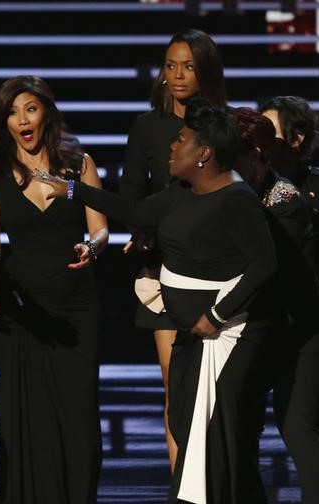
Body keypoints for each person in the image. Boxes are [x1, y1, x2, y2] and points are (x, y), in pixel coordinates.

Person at [36, 96, 276, 504]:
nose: (171, 146)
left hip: (225, 338)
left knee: (209, 442)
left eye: (180, 140)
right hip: (192, 333)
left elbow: (264, 265)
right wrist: (73, 190)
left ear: (203, 153)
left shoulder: (236, 200)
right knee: (184, 425)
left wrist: (216, 315)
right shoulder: (183, 190)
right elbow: (136, 209)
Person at [0, 75, 109, 504]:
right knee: (25, 417)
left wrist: (91, 247)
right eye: (12, 113)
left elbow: (101, 229)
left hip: (75, 306)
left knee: (78, 414)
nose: (22, 120)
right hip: (22, 309)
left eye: (29, 109)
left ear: (45, 111)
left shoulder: (78, 165)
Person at [118, 28, 226, 471]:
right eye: (170, 65)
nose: (178, 75)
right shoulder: (146, 128)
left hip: (219, 273)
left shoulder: (225, 125)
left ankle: (219, 483)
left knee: (218, 389)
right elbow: (129, 197)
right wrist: (141, 227)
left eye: (188, 66)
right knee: (176, 387)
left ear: (206, 72)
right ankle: (181, 485)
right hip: (163, 270)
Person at [234, 108, 319, 503]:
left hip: (301, 329)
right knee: (241, 426)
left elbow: (271, 266)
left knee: (299, 425)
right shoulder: (237, 191)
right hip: (259, 328)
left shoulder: (288, 197)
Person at [259, 96, 319, 299]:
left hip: (306, 299)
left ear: (297, 139)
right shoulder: (247, 181)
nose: (262, 140)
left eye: (270, 132)